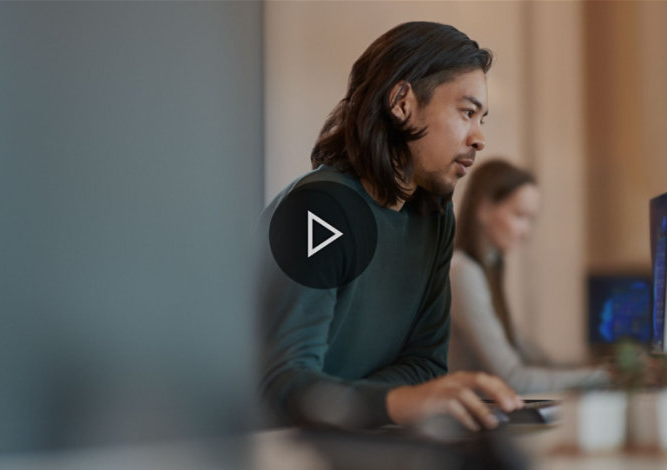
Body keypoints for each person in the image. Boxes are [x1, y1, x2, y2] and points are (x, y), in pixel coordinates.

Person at [257, 22, 524, 433]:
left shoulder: (434, 216)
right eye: (467, 112)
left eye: (482, 119)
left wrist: (370, 404)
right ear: (402, 102)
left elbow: (426, 365)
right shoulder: (321, 210)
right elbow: (282, 386)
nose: (479, 138)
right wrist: (395, 403)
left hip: (357, 440)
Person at [448, 159, 608, 393]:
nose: (527, 232)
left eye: (530, 220)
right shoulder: (463, 272)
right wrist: (601, 377)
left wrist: (599, 370)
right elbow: (513, 378)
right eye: (520, 216)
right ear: (484, 209)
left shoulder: (488, 268)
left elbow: (532, 357)